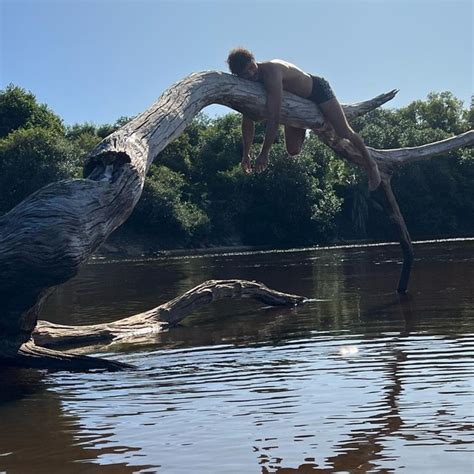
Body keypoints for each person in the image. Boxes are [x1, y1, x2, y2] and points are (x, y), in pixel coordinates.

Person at [226, 47, 381, 191]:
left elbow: (274, 118)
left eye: (251, 67)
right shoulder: (250, 84)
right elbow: (247, 118)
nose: (252, 73)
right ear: (239, 76)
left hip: (317, 90)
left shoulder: (271, 71)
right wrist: (246, 154)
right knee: (293, 151)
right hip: (295, 104)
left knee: (343, 131)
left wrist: (264, 153)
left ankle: (371, 164)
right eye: (246, 74)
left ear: (254, 60)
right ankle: (305, 127)